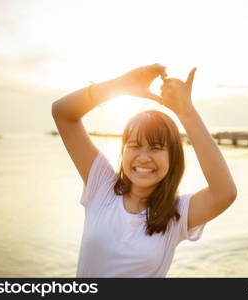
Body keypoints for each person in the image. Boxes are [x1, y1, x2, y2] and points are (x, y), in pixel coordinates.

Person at [51, 64, 237, 277]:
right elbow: (62, 113)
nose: (143, 157)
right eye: (134, 146)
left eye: (156, 148)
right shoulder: (102, 187)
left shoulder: (175, 214)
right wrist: (120, 85)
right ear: (124, 150)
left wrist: (187, 112)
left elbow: (225, 193)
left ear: (172, 157)